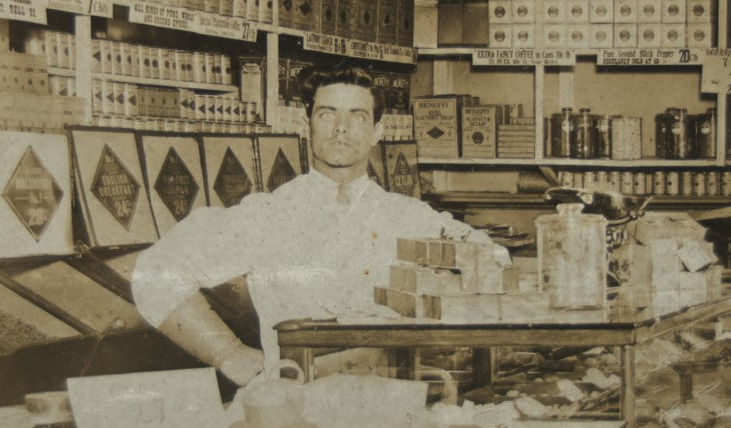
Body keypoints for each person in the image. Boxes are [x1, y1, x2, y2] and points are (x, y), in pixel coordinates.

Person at [132, 66, 505, 384]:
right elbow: (155, 271)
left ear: (378, 131)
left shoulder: (408, 216)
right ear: (304, 123)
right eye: (327, 114)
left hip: (391, 400)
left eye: (358, 116)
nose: (341, 128)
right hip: (299, 400)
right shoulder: (267, 215)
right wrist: (228, 353)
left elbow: (494, 261)